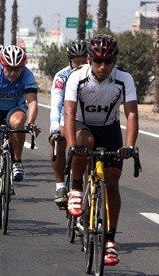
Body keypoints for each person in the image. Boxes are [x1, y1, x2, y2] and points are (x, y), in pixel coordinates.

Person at [64, 34, 138, 266]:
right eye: (98, 61)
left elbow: (132, 114)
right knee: (84, 141)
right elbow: (68, 113)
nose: (103, 67)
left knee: (113, 181)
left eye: (108, 62)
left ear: (115, 61)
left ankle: (109, 242)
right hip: (82, 125)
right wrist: (70, 144)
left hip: (109, 128)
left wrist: (129, 146)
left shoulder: (124, 78)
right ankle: (76, 187)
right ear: (89, 59)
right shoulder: (77, 77)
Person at [0, 44, 38, 218]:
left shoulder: (27, 74)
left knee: (18, 123)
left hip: (14, 110)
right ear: (2, 65)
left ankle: (17, 161)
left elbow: (32, 102)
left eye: (17, 69)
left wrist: (31, 122)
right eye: (9, 69)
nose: (13, 72)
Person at [49, 40, 88, 209]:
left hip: (87, 119)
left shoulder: (93, 75)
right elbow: (56, 105)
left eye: (83, 61)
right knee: (58, 142)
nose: (79, 65)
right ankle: (60, 186)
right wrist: (55, 129)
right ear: (69, 62)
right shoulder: (62, 76)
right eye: (75, 62)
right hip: (66, 116)